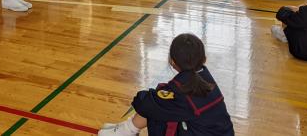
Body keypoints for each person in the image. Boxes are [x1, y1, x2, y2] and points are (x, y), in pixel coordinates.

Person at [98, 33, 234, 136]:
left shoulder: (180, 90)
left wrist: (146, 96)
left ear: (172, 61)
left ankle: (126, 130)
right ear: (203, 59)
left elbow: (146, 103)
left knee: (156, 108)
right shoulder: (205, 77)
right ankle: (127, 129)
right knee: (160, 103)